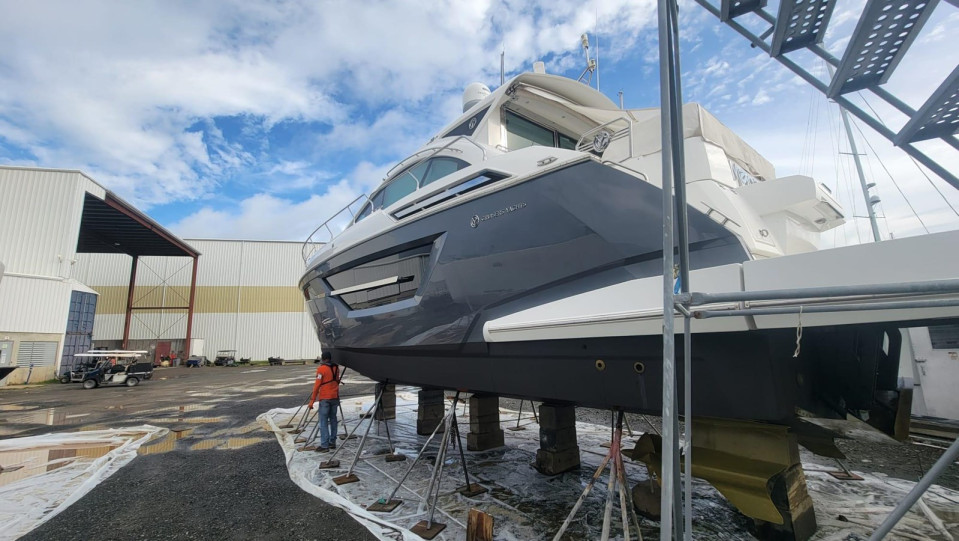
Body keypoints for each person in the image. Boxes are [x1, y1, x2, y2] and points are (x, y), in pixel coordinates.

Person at [308, 351, 340, 452]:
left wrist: (312, 401)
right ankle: (332, 442)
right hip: (334, 397)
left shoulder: (321, 369)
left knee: (323, 422)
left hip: (325, 398)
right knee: (333, 420)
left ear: (323, 358)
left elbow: (317, 385)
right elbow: (337, 380)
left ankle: (324, 445)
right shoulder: (336, 368)